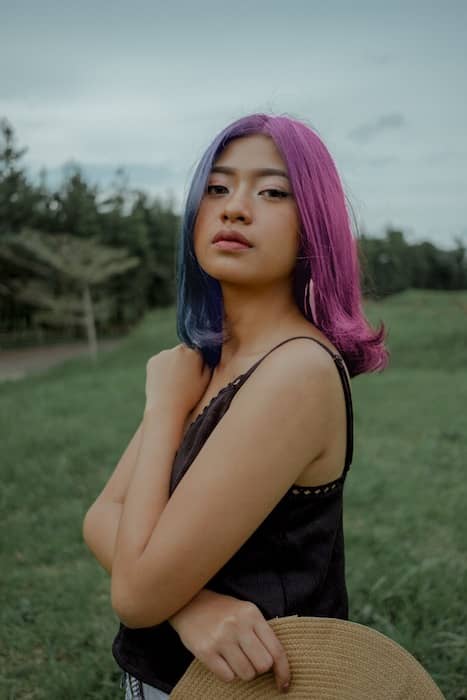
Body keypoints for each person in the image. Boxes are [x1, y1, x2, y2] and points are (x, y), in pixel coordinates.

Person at [82, 112, 389, 699]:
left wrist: (164, 407)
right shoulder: (211, 359)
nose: (235, 207)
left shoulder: (294, 370)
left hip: (244, 688)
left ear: (313, 225)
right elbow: (102, 515)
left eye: (272, 191)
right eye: (217, 188)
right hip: (168, 679)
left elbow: (137, 593)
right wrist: (191, 607)